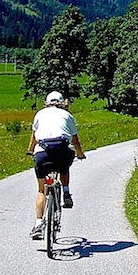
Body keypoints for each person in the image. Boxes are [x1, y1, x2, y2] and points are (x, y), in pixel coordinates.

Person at [27, 91, 86, 240]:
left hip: (42, 153)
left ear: (46, 103)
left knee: (41, 190)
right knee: (64, 166)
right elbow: (75, 140)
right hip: (62, 152)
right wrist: (80, 154)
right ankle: (66, 191)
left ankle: (39, 224)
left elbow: (34, 136)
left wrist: (30, 150)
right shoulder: (67, 116)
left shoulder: (39, 114)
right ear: (63, 103)